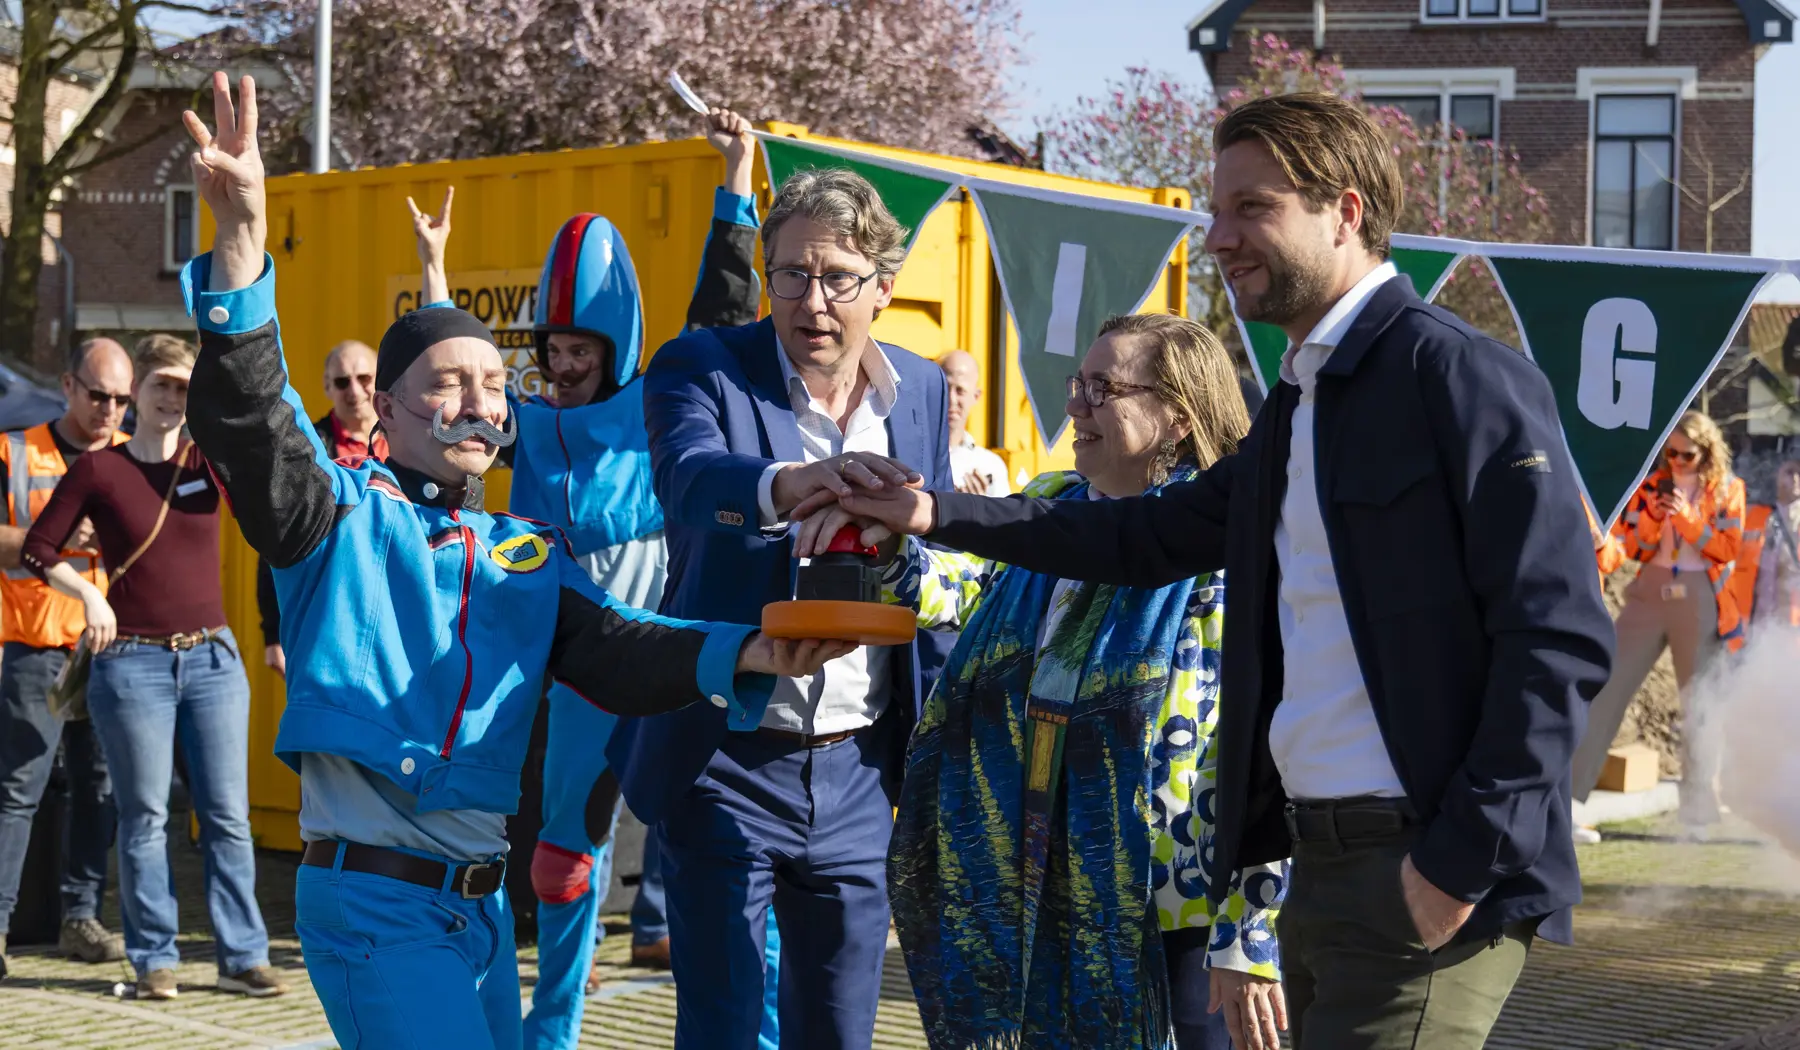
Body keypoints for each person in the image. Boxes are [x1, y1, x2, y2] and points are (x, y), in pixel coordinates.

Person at [825, 92, 1614, 1050]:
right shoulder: (1298, 404)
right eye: (1216, 207)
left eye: (1254, 208)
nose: (1220, 235)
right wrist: (933, 511)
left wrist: (1460, 861)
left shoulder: (1455, 377)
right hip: (1319, 868)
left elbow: (1559, 636)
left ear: (1347, 212)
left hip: (1424, 870)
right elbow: (1134, 539)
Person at [176, 72, 844, 1049]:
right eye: (446, 383)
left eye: (494, 383)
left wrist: (751, 651)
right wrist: (240, 241)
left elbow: (615, 643)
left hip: (484, 916)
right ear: (389, 410)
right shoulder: (334, 517)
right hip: (379, 910)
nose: (481, 401)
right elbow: (249, 424)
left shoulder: (519, 555)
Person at [399, 106, 780, 1049]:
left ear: (614, 349)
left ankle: (767, 1032)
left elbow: (724, 311)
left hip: (655, 637)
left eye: (581, 354)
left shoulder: (659, 401)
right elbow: (449, 372)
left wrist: (736, 180)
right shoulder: (522, 419)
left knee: (731, 854)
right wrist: (435, 269)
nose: (563, 368)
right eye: (554, 352)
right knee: (560, 857)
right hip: (556, 650)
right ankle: (549, 1032)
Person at [840, 314, 1284, 1049]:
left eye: (1102, 387)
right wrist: (894, 547)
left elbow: (1263, 752)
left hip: (1173, 904)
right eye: (1077, 383)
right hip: (1025, 875)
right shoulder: (1051, 501)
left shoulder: (1225, 549)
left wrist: (1251, 928)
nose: (1074, 405)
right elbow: (960, 588)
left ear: (1176, 412)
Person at [605, 164, 953, 1049]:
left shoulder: (921, 392)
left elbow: (941, 557)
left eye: (838, 277)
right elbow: (687, 481)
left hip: (862, 769)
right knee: (721, 1027)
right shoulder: (704, 366)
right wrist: (789, 483)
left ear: (883, 283)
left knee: (839, 1032)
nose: (813, 300)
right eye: (790, 274)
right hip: (726, 754)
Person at [20, 333, 279, 1000]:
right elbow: (40, 548)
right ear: (137, 391)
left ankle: (244, 956)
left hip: (213, 659)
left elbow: (267, 485)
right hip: (130, 663)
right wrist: (86, 594)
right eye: (161, 384)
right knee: (144, 818)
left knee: (225, 815)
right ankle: (154, 959)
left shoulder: (208, 461)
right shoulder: (99, 471)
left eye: (183, 387)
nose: (171, 397)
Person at [0, 337, 131, 977]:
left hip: (111, 646)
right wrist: (46, 539)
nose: (110, 410)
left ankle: (81, 918)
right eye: (99, 395)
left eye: (120, 399)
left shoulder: (132, 459)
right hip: (35, 642)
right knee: (18, 790)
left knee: (97, 790)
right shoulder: (17, 450)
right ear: (68, 386)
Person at [1573, 410, 1747, 832]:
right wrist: (1645, 521)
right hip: (1649, 592)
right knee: (1606, 689)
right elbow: (1633, 545)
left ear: (1706, 452)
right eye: (1670, 453)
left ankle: (1699, 810)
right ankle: (1573, 800)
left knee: (1699, 706)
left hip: (1701, 597)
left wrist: (1686, 517)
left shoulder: (1729, 489)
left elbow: (1727, 548)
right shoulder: (1649, 486)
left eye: (1685, 454)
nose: (1676, 462)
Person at [255, 338, 385, 678]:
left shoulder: (407, 441)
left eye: (364, 378)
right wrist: (273, 632)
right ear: (327, 387)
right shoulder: (307, 452)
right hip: (330, 611)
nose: (354, 391)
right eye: (342, 382)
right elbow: (277, 538)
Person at [1738, 456, 1800, 637]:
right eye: (1789, 472)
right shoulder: (1753, 516)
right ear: (1775, 476)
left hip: (1793, 624)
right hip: (1755, 620)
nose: (1796, 478)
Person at [938, 349, 1011, 496]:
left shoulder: (990, 466)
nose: (951, 400)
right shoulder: (909, 453)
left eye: (960, 391)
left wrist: (978, 508)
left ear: (976, 397)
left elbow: (1005, 518)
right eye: (944, 388)